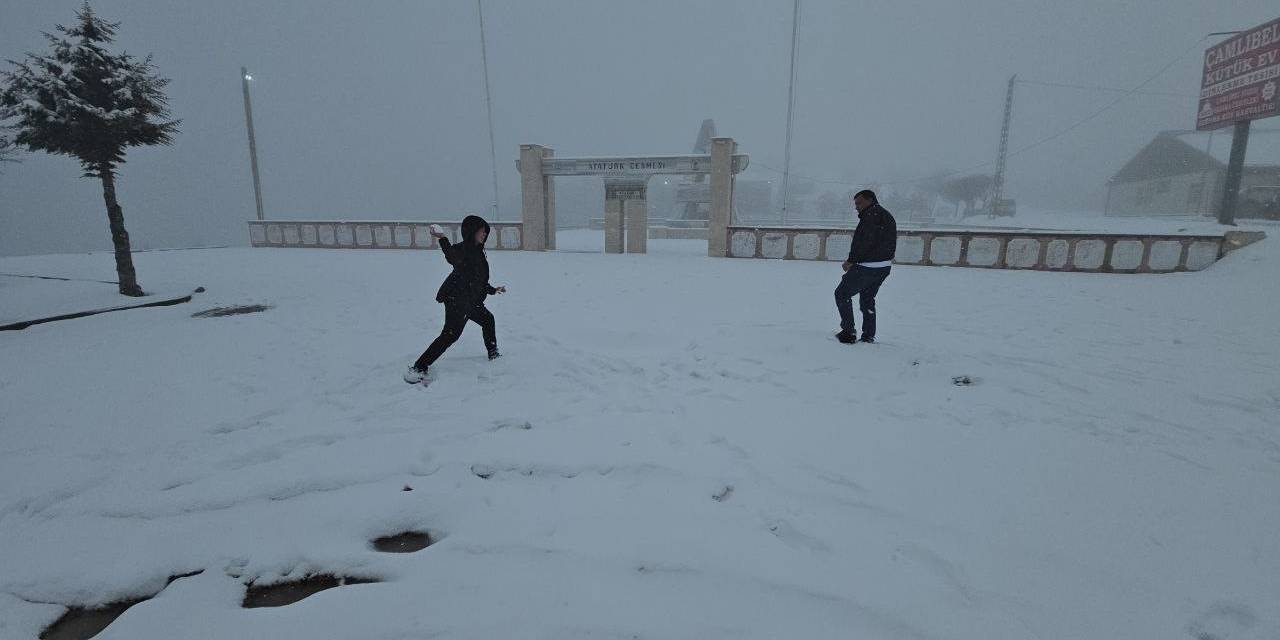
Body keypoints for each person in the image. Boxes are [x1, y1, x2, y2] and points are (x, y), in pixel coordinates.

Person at [404, 215, 507, 383]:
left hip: (471, 300)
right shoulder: (463, 249)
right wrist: (443, 238)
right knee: (450, 335)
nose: (484, 234)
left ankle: (493, 353)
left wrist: (493, 290)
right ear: (472, 231)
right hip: (457, 299)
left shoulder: (479, 251)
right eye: (481, 231)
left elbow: (478, 279)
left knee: (488, 319)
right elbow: (452, 257)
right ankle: (419, 367)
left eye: (485, 232)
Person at [834, 190, 896, 344]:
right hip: (883, 267)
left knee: (841, 293)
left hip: (868, 266)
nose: (856, 207)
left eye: (859, 203)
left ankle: (849, 332)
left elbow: (864, 242)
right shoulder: (886, 215)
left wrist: (850, 261)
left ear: (870, 200)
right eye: (855, 204)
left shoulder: (871, 217)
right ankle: (868, 335)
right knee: (867, 299)